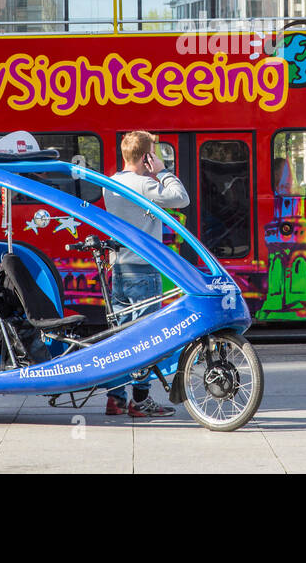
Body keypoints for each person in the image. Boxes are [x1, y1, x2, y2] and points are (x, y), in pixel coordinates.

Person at [102, 130, 189, 418]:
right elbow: (181, 198)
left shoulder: (110, 184)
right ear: (146, 157)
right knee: (145, 338)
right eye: (154, 152)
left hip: (120, 269)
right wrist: (163, 171)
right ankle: (139, 400)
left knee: (121, 336)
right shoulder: (143, 185)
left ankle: (114, 398)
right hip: (143, 268)